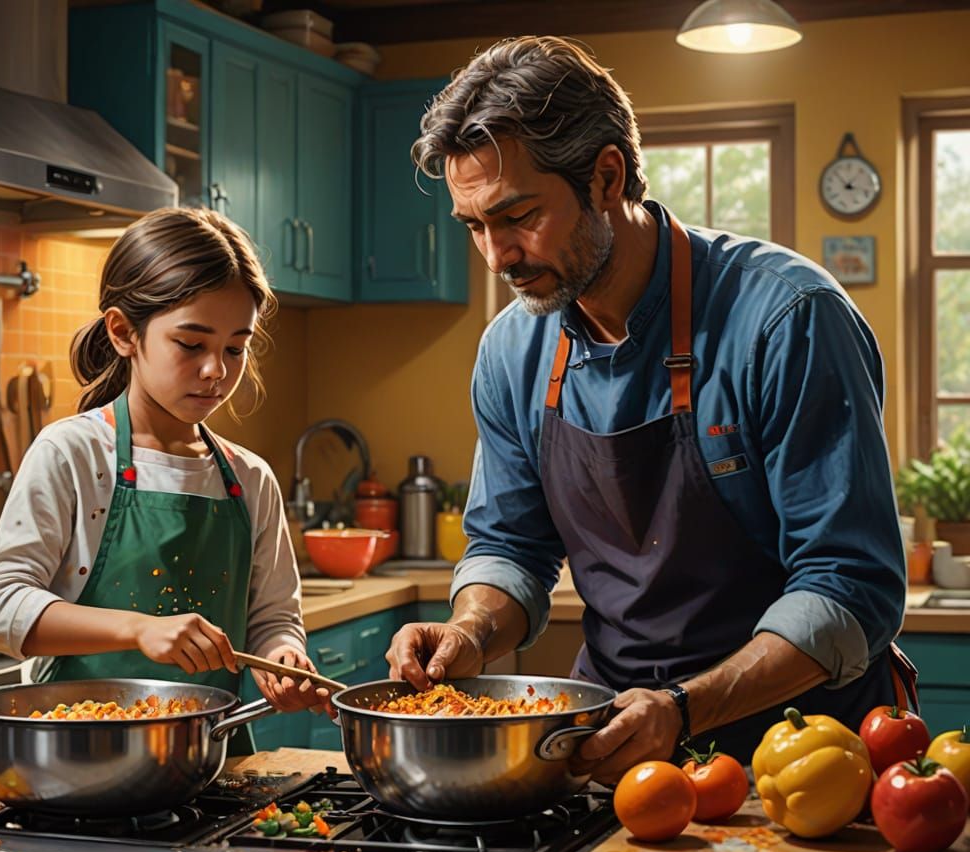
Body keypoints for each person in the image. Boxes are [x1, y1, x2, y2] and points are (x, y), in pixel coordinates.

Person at [386, 36, 913, 780]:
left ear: (606, 177)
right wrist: (472, 630)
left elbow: (848, 584)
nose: (497, 257)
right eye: (474, 226)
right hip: (616, 743)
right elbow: (509, 546)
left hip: (808, 751)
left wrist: (685, 709)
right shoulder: (512, 350)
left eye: (518, 216)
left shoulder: (787, 318)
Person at [0, 207, 328, 751]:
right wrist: (139, 628)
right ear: (123, 332)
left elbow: (275, 617)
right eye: (191, 344)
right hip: (81, 758)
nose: (217, 370)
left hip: (212, 761)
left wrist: (282, 656)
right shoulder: (72, 453)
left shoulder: (249, 478)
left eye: (236, 347)